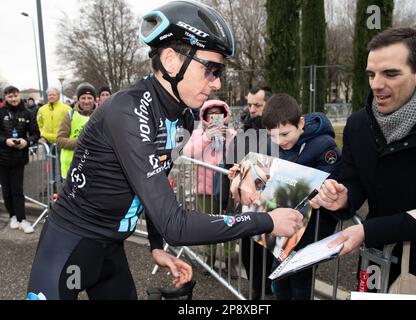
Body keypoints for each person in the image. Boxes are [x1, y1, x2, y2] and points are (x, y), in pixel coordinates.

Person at [27, 1, 301, 300]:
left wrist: (156, 246)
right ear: (171, 60)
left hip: (111, 249)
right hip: (70, 242)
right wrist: (267, 220)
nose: (217, 82)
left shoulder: (182, 116)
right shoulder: (127, 112)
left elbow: (155, 186)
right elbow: (176, 225)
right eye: (211, 69)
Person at [310, 27, 416, 295]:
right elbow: (352, 179)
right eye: (372, 74)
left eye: (390, 73)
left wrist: (368, 231)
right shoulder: (358, 125)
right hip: (376, 262)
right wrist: (342, 197)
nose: (376, 84)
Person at [260, 93, 341, 300]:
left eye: (285, 134)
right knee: (278, 276)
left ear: (301, 123)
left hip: (312, 227)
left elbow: (333, 180)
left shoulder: (324, 146)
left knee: (300, 278)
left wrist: (318, 191)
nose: (280, 141)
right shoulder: (276, 145)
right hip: (286, 224)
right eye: (273, 136)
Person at [224, 85, 274, 299]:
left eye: (257, 105)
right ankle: (255, 291)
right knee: (248, 253)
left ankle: (268, 292)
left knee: (267, 256)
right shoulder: (245, 130)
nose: (252, 109)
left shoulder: (277, 132)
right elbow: (231, 159)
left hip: (271, 207)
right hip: (246, 208)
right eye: (250, 104)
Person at [183, 99, 237, 269]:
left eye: (218, 113)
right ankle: (210, 258)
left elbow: (238, 156)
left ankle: (230, 260)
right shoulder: (198, 134)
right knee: (209, 225)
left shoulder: (232, 134)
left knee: (231, 224)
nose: (215, 116)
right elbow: (188, 152)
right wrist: (207, 137)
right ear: (205, 115)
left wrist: (227, 136)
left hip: (226, 189)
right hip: (204, 189)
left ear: (224, 115)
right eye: (211, 113)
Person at [0, 86, 40, 233]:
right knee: (6, 191)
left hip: (18, 158)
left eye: (15, 95)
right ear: (6, 97)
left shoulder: (28, 113)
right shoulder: (1, 112)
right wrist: (6, 141)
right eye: (10, 96)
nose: (13, 99)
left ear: (19, 95)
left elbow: (36, 134)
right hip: (3, 158)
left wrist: (26, 142)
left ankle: (22, 219)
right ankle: (13, 216)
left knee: (17, 190)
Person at [57, 83, 96, 180]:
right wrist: (80, 142)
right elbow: (59, 140)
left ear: (94, 99)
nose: (86, 101)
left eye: (89, 98)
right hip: (71, 168)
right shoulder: (70, 115)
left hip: (93, 169)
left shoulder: (100, 116)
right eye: (83, 98)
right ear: (78, 99)